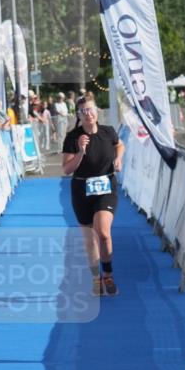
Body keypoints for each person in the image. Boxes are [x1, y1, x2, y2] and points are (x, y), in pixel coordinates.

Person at [62, 95, 124, 297]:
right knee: (90, 240)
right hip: (81, 190)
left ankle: (108, 273)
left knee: (103, 232)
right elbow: (67, 169)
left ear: (97, 111)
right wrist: (80, 151)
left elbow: (119, 144)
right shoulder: (73, 137)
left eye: (91, 109)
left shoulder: (108, 131)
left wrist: (119, 159)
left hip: (106, 187)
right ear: (78, 116)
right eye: (83, 111)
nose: (88, 114)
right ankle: (96, 279)